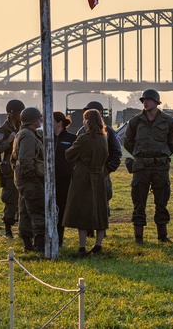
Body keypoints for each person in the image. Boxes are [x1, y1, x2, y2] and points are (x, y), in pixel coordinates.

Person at [123, 88, 173, 244]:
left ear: (156, 102)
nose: (145, 102)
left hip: (160, 166)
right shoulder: (135, 121)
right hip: (141, 166)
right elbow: (127, 141)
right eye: (143, 100)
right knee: (139, 201)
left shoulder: (167, 121)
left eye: (148, 100)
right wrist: (139, 154)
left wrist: (163, 153)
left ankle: (162, 235)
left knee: (161, 201)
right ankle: (138, 237)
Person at [63, 108, 111, 256]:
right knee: (99, 210)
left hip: (83, 176)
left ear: (88, 121)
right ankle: (98, 245)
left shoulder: (84, 138)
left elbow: (69, 155)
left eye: (85, 119)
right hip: (99, 176)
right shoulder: (104, 138)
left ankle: (82, 247)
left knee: (82, 211)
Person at [12, 106, 45, 253]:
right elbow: (25, 159)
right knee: (37, 210)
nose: (41, 120)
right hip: (30, 181)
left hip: (24, 180)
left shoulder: (23, 133)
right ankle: (39, 244)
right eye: (39, 118)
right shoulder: (29, 136)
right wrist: (33, 176)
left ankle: (28, 243)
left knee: (25, 210)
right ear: (33, 120)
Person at [0, 99, 25, 238]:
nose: (21, 115)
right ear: (13, 114)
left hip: (23, 166)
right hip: (10, 170)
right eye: (19, 113)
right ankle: (8, 228)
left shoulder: (23, 126)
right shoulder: (3, 130)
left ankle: (24, 229)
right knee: (11, 198)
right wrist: (9, 141)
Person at [85, 101, 122, 225]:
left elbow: (117, 153)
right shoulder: (82, 132)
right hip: (85, 173)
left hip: (102, 172)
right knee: (86, 200)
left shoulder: (109, 132)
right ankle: (88, 229)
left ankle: (102, 227)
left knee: (103, 201)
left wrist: (108, 169)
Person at [52, 111, 76, 248]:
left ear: (59, 122)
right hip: (48, 179)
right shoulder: (46, 138)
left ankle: (59, 238)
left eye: (52, 120)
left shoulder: (72, 138)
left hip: (65, 180)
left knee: (61, 209)